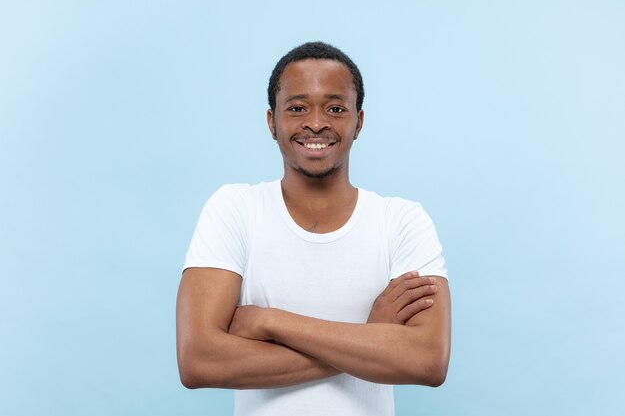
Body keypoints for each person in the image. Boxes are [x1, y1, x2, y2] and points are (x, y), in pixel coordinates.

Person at [176, 41, 451, 416]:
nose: (317, 122)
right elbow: (198, 361)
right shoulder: (235, 209)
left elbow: (427, 361)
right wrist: (369, 336)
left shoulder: (401, 221)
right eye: (298, 108)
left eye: (336, 108)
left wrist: (270, 321)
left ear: (359, 121)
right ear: (272, 121)